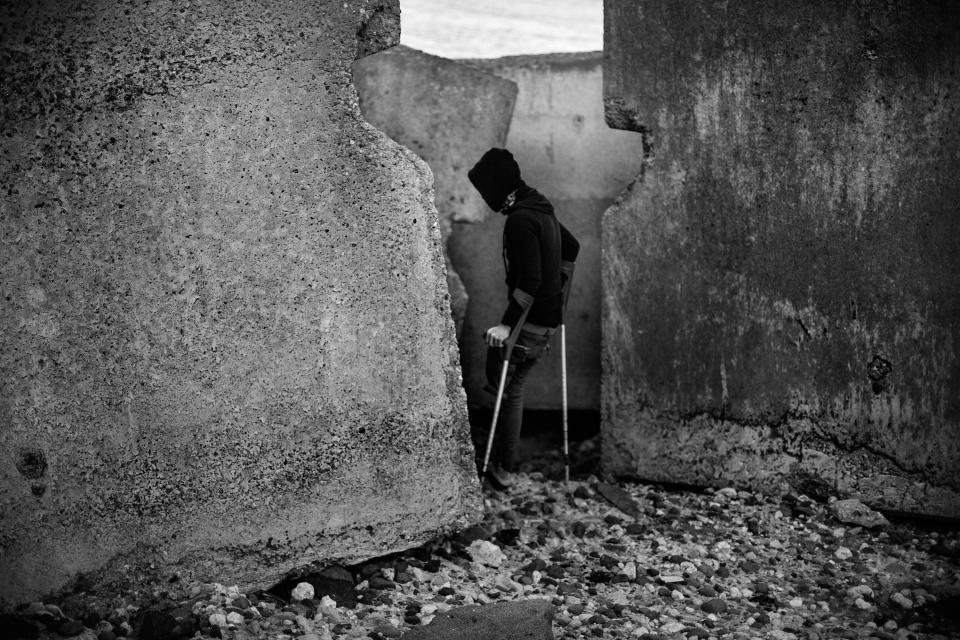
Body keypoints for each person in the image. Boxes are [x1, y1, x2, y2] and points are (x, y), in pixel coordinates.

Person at [467, 148, 580, 490]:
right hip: (546, 322)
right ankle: (506, 465)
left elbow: (528, 280)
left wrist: (506, 323)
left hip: (527, 325)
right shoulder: (540, 207)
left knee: (508, 389)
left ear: (499, 188)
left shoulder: (519, 220)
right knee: (509, 383)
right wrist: (556, 299)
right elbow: (571, 247)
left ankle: (502, 468)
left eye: (486, 193)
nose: (486, 200)